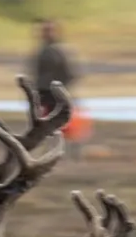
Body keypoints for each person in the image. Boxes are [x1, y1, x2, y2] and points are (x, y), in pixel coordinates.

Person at [29, 18, 93, 158]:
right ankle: (50, 155)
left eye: (49, 30)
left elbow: (73, 73)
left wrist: (60, 89)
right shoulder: (41, 50)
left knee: (67, 126)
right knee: (46, 128)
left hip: (59, 94)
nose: (46, 33)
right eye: (44, 30)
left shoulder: (61, 51)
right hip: (43, 94)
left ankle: (73, 155)